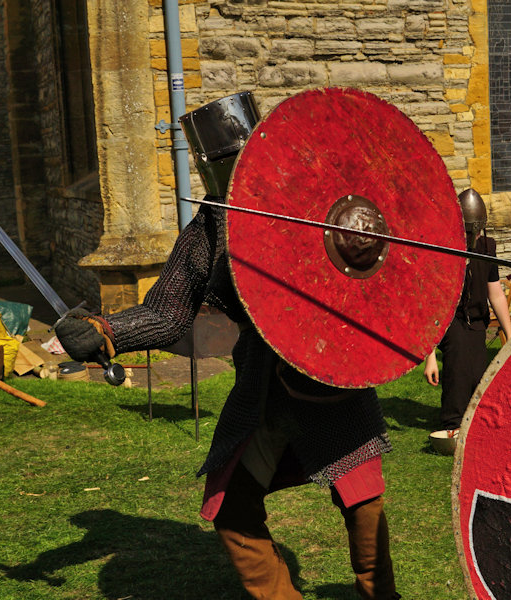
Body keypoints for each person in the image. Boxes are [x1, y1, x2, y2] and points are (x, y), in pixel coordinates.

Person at [55, 92, 400, 599]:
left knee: (362, 500)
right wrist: (109, 332)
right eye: (220, 160)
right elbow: (166, 314)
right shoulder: (210, 230)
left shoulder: (320, 201)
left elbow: (381, 276)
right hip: (265, 388)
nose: (231, 167)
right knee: (236, 508)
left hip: (332, 375)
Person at [424, 189, 511, 444]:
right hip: (452, 321)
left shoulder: (487, 247)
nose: (472, 235)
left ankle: (475, 420)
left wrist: (509, 333)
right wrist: (430, 357)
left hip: (477, 321)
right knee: (458, 370)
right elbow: (434, 305)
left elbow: (494, 292)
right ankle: (453, 424)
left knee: (478, 376)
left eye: (475, 229)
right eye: (468, 230)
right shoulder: (444, 249)